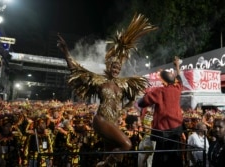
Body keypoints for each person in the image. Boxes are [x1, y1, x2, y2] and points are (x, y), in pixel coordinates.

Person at [57, 13, 157, 167]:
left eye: (118, 67)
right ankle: (102, 165)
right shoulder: (98, 80)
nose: (116, 69)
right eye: (113, 66)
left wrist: (123, 109)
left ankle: (106, 164)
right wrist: (66, 53)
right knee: (127, 145)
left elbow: (132, 99)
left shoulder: (124, 84)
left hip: (113, 122)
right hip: (101, 120)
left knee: (110, 153)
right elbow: (76, 71)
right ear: (108, 66)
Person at [137, 56, 184, 167]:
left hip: (163, 133)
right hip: (176, 129)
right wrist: (177, 66)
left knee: (160, 158)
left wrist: (144, 95)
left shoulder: (159, 91)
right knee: (175, 157)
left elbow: (141, 103)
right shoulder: (177, 89)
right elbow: (180, 79)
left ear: (162, 81)